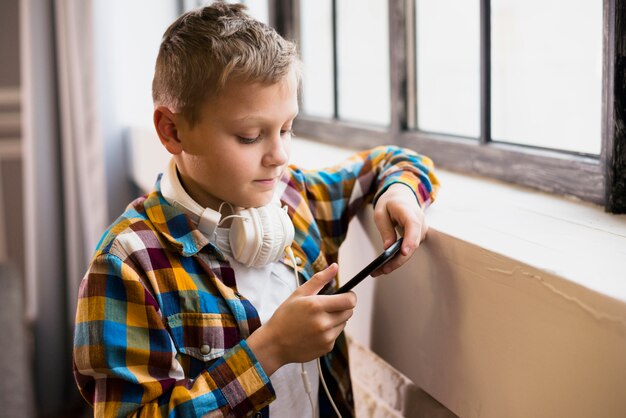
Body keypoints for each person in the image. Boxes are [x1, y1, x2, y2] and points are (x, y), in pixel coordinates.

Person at [73, 2, 439, 417]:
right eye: (250, 136)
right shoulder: (126, 265)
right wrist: (269, 351)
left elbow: (396, 160)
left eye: (287, 128)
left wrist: (400, 193)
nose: (279, 155)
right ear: (172, 131)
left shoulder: (297, 198)